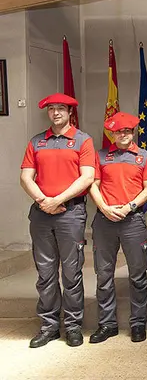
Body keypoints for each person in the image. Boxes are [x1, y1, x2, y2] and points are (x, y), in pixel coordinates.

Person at [21, 93, 96, 348]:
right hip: (42, 214)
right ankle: (49, 326)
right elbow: (26, 177)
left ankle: (73, 325)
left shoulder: (82, 140)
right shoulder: (37, 142)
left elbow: (86, 178)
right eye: (51, 109)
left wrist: (58, 200)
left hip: (71, 214)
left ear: (70, 112)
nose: (56, 113)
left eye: (61, 108)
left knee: (72, 272)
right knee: (45, 273)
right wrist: (44, 201)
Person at [88, 112, 147, 344]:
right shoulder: (101, 155)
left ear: (133, 132)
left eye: (127, 131)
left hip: (132, 220)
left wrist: (129, 207)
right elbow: (93, 185)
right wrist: (104, 207)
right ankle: (107, 324)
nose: (123, 135)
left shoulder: (144, 157)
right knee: (104, 275)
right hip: (105, 220)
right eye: (118, 131)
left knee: (137, 274)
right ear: (112, 134)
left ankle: (138, 323)